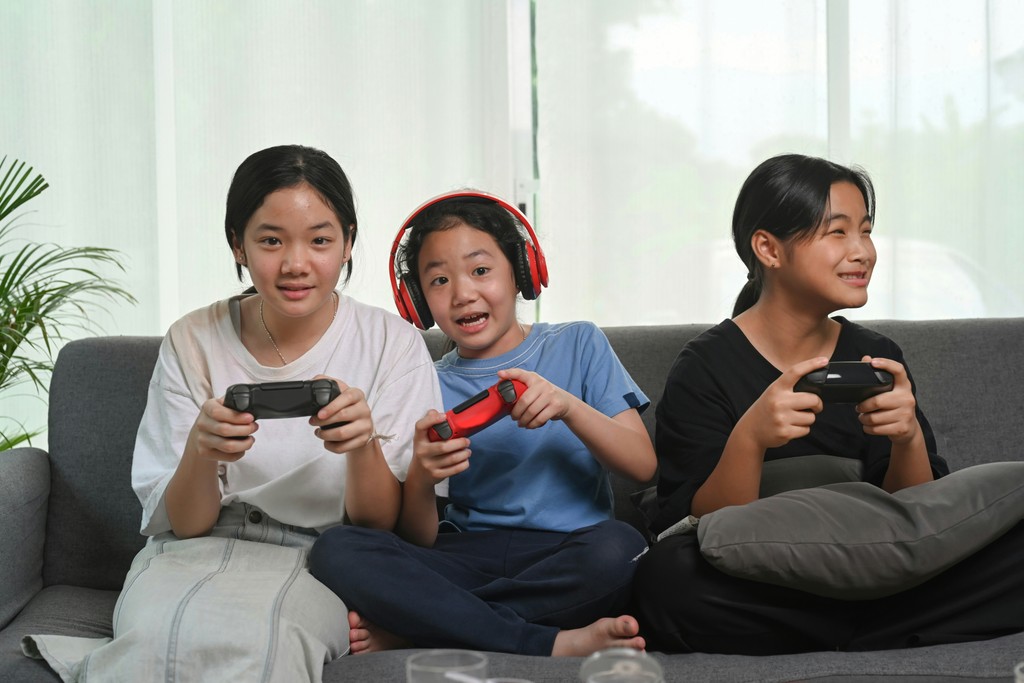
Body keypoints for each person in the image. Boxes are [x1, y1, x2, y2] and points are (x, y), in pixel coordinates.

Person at [23, 144, 442, 681]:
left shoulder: (392, 344)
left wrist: (363, 447)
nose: (296, 263)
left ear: (348, 243)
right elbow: (189, 525)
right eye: (270, 240)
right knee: (155, 645)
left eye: (320, 240)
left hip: (320, 562)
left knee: (265, 649)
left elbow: (379, 527)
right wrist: (201, 450)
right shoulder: (192, 339)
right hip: (188, 553)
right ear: (237, 245)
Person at [632, 153, 1024, 654]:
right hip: (771, 580)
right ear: (769, 249)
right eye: (837, 233)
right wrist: (749, 440)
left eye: (865, 230)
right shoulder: (704, 366)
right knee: (668, 580)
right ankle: (889, 628)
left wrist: (906, 439)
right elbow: (694, 527)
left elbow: (925, 523)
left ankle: (842, 629)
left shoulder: (877, 356)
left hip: (880, 570)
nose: (862, 251)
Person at [309, 190, 656, 657]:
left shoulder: (579, 343)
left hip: (569, 551)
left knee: (622, 547)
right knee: (339, 549)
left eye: (480, 270)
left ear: (522, 272)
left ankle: (428, 628)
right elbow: (418, 538)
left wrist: (569, 407)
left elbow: (642, 466)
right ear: (417, 301)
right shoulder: (421, 380)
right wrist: (421, 478)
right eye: (437, 280)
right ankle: (541, 640)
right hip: (466, 556)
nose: (463, 293)